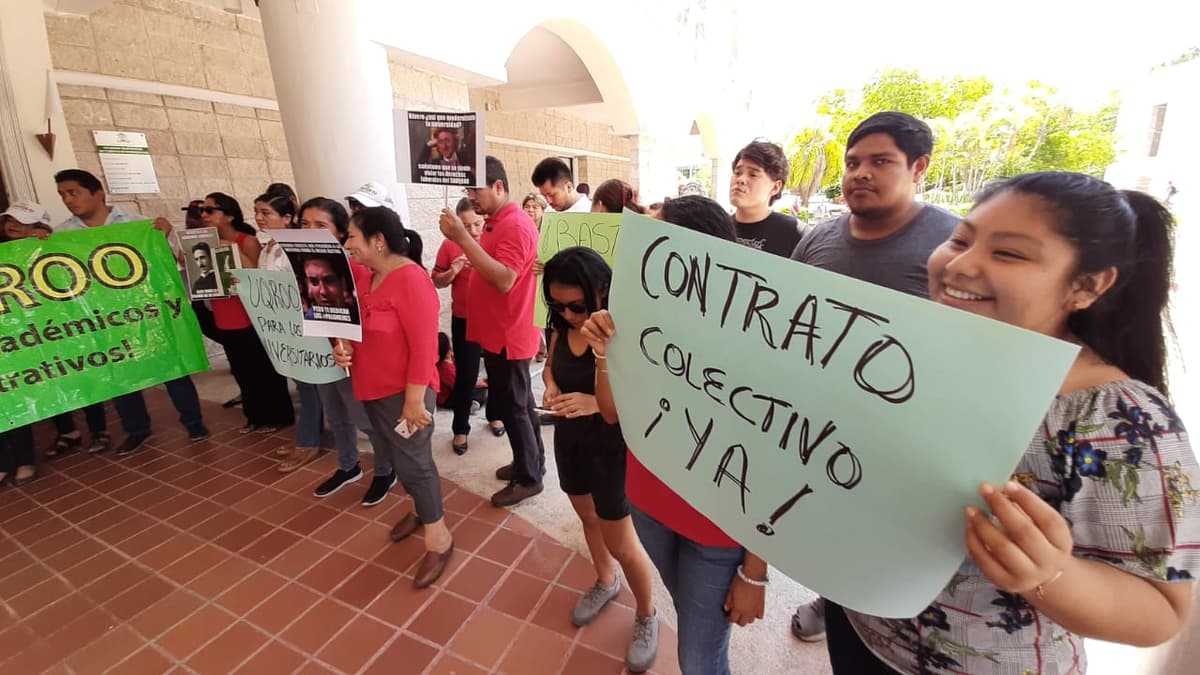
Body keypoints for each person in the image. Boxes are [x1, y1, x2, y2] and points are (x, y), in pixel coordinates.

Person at [825, 171, 1199, 673]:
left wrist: (1051, 574)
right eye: (960, 239)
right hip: (862, 630)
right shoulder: (909, 353)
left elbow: (1161, 612)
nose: (961, 264)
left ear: (1086, 285)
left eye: (1009, 254)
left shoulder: (1119, 420)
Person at [788, 112, 961, 640]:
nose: (860, 173)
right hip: (813, 417)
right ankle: (831, 595)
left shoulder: (953, 244)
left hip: (900, 432)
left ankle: (853, 603)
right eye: (853, 162)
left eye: (880, 161)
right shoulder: (818, 237)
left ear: (919, 167)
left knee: (876, 532)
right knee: (823, 515)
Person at [581, 196, 767, 675]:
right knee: (693, 620)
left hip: (717, 528)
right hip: (649, 505)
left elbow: (773, 459)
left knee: (698, 657)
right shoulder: (637, 313)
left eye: (653, 237)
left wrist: (756, 571)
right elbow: (610, 412)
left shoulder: (755, 337)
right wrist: (604, 350)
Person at [542, 247, 660, 672]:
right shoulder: (559, 327)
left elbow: (636, 401)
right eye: (557, 305)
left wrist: (595, 401)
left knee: (622, 541)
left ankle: (647, 613)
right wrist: (551, 386)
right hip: (569, 439)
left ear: (602, 291)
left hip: (611, 446)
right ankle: (605, 581)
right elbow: (550, 368)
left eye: (577, 305)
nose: (569, 315)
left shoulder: (619, 331)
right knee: (586, 517)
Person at [334, 206, 454, 587]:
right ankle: (421, 508)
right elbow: (360, 330)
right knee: (396, 456)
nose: (346, 243)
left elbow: (424, 349)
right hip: (371, 389)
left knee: (415, 460)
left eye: (352, 236)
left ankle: (439, 536)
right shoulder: (368, 279)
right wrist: (343, 349)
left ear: (378, 241)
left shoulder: (412, 281)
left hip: (406, 395)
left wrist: (415, 401)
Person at [54, 169, 209, 456]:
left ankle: (194, 422)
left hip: (147, 313)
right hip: (103, 320)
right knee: (121, 374)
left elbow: (172, 265)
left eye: (73, 192)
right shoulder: (61, 235)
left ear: (97, 192)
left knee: (173, 368)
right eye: (62, 195)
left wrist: (165, 237)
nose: (67, 200)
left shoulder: (139, 225)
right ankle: (137, 430)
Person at [439, 156, 545, 508]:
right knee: (521, 404)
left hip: (509, 334)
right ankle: (530, 463)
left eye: (476, 189)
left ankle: (529, 477)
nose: (471, 197)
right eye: (468, 189)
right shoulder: (495, 221)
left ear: (499, 186)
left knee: (515, 406)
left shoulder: (514, 224)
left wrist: (460, 238)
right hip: (499, 331)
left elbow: (503, 280)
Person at [296, 197, 397, 504]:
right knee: (335, 414)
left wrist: (347, 343)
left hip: (350, 356)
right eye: (304, 225)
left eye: (320, 225)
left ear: (341, 232)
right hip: (320, 351)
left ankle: (385, 470)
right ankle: (348, 465)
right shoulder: (299, 263)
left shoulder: (359, 268)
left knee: (365, 419)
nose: (311, 231)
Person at [200, 192, 295, 434]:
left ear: (229, 215)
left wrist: (233, 252)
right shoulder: (203, 243)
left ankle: (277, 416)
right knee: (241, 369)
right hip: (223, 312)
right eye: (257, 212)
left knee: (263, 368)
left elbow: (258, 277)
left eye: (211, 210)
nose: (204, 215)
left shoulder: (248, 241)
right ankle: (254, 416)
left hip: (251, 315)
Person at [254, 192, 325, 473]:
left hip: (302, 325)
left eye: (266, 213)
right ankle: (309, 434)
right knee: (304, 384)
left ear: (286, 218)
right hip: (284, 326)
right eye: (257, 211)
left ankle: (308, 442)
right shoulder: (268, 247)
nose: (259, 217)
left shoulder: (295, 248)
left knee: (310, 385)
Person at [432, 197, 505, 454]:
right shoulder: (449, 244)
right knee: (466, 374)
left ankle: (495, 413)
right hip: (464, 318)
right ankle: (460, 428)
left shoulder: (495, 240)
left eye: (477, 223)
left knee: (497, 370)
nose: (473, 231)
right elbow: (436, 281)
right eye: (466, 225)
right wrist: (453, 271)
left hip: (494, 318)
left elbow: (507, 277)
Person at [730, 140, 803, 257]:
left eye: (753, 174)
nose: (741, 180)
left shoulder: (795, 232)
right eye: (737, 172)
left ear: (775, 187)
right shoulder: (717, 228)